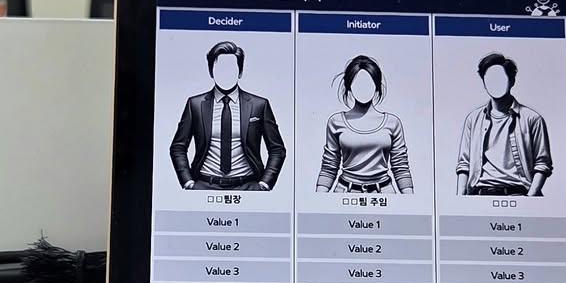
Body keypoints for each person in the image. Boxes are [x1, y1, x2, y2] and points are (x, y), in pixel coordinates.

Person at [169, 40, 286, 190]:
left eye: (231, 68)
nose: (225, 74)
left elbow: (277, 149)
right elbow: (178, 147)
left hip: (248, 185)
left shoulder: (259, 105)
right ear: (211, 72)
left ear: (240, 72)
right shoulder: (196, 105)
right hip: (205, 185)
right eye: (220, 69)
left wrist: (265, 184)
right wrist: (188, 182)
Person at [455, 53, 552, 197]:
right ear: (484, 83)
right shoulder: (473, 119)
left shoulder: (532, 119)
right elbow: (464, 164)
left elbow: (543, 164)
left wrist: (529, 198)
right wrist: (460, 200)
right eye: (490, 79)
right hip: (480, 195)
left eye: (500, 79)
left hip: (518, 194)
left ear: (512, 81)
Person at [315, 54, 414, 192]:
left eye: (369, 84)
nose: (363, 89)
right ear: (349, 87)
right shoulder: (336, 121)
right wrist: (319, 198)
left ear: (377, 86)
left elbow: (400, 165)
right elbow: (329, 165)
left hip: (384, 193)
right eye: (357, 84)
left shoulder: (393, 122)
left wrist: (410, 198)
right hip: (345, 192)